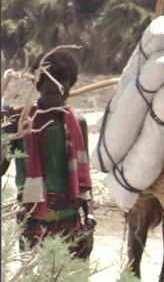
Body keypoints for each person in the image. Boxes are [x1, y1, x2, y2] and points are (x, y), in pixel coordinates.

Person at [1, 49, 96, 259]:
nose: (57, 100)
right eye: (52, 93)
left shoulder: (77, 124)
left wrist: (90, 217)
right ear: (38, 87)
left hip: (71, 219)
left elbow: (85, 178)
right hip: (32, 220)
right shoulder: (19, 125)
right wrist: (4, 131)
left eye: (64, 93)